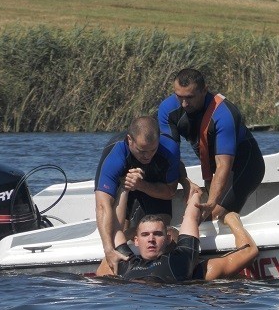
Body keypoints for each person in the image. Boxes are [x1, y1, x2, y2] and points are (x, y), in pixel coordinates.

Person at [157, 68, 265, 222]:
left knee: (214, 216)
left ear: (204, 91)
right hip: (212, 167)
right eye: (179, 96)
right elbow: (170, 154)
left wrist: (212, 203)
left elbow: (223, 165)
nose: (184, 103)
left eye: (190, 97)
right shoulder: (168, 110)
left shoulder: (224, 114)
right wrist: (185, 181)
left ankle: (246, 243)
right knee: (203, 218)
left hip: (244, 166)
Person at [95, 188, 259, 282]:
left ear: (167, 239)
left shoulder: (180, 260)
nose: (151, 239)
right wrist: (124, 188)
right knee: (105, 264)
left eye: (157, 234)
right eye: (145, 235)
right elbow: (115, 227)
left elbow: (190, 218)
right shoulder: (124, 262)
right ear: (136, 241)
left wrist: (231, 220)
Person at [95, 116, 180, 273]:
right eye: (142, 151)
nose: (147, 156)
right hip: (124, 188)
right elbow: (102, 204)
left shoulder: (169, 148)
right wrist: (108, 250)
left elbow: (171, 191)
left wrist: (141, 185)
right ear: (130, 140)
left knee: (162, 228)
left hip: (154, 186)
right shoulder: (116, 153)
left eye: (152, 150)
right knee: (117, 232)